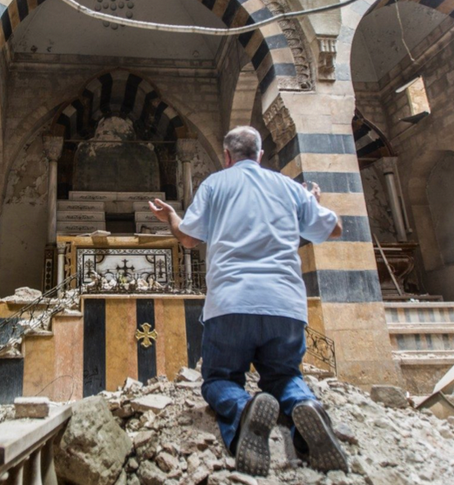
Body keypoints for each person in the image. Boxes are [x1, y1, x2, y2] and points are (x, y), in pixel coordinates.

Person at [149, 126, 348, 476]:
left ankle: (243, 411)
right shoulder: (289, 188)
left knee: (219, 380)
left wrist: (171, 217)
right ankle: (305, 406)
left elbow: (188, 239)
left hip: (230, 304)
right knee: (284, 375)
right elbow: (334, 229)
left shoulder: (215, 184)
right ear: (260, 155)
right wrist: (311, 204)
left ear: (227, 156)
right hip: (285, 306)